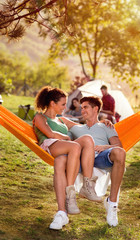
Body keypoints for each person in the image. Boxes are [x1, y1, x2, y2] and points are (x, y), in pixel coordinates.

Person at [33, 86, 101, 230]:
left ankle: (85, 188)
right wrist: (66, 137)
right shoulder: (40, 117)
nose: (65, 107)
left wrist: (103, 124)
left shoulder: (62, 120)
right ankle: (70, 194)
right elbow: (50, 134)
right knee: (75, 147)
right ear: (52, 103)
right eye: (63, 104)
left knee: (87, 139)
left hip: (64, 153)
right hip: (51, 146)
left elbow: (85, 128)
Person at [67, 96, 126, 227]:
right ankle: (64, 208)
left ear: (95, 109)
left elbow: (119, 147)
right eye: (81, 108)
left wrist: (105, 147)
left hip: (101, 157)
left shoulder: (106, 126)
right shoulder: (76, 128)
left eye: (85, 107)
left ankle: (112, 204)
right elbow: (58, 118)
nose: (82, 110)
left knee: (120, 153)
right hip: (82, 159)